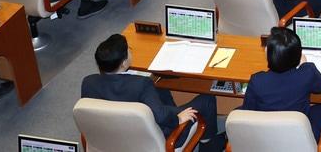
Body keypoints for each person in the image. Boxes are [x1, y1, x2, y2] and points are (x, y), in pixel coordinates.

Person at [81, 33, 220, 146]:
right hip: (157, 138)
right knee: (207, 99)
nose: (130, 51)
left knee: (159, 88)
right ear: (123, 63)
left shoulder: (88, 82)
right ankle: (207, 143)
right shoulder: (141, 84)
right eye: (128, 49)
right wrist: (178, 119)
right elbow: (161, 116)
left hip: (114, 137)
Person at [242, 27, 321, 152]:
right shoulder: (306, 73)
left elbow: (248, 110)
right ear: (298, 55)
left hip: (266, 139)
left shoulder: (257, 80)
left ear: (268, 54)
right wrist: (305, 64)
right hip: (301, 138)